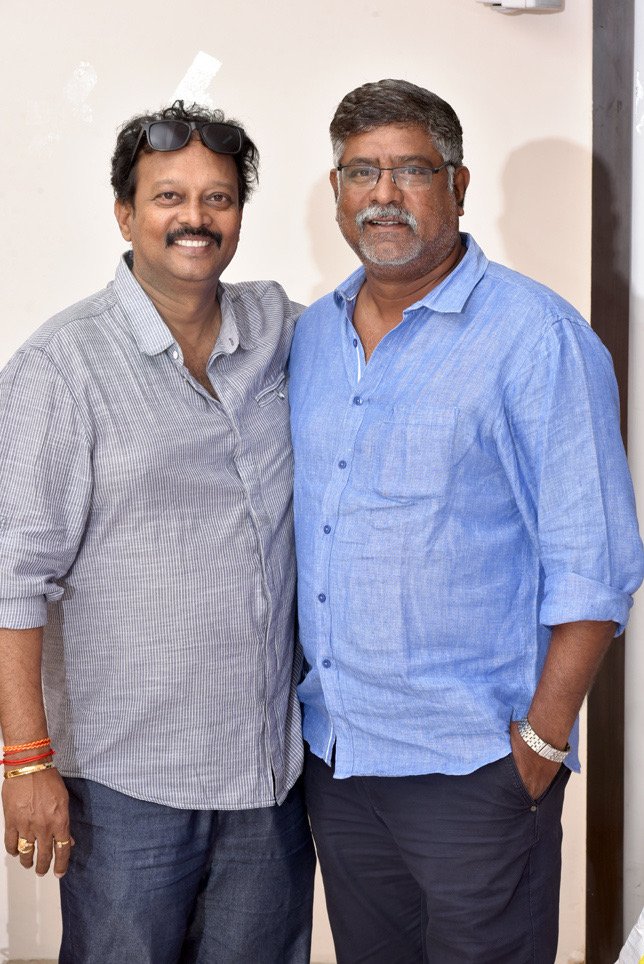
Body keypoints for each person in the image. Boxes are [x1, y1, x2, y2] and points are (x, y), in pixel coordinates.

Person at [288, 78, 644, 963]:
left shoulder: (537, 338)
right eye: (362, 172)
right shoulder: (313, 338)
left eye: (411, 170)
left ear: (457, 184)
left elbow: (597, 568)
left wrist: (540, 745)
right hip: (340, 763)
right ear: (336, 190)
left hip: (476, 771)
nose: (384, 194)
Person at [0, 100, 314, 964]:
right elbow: (11, 578)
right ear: (125, 214)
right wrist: (24, 761)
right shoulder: (61, 366)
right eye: (169, 196)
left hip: (268, 774)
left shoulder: (284, 332)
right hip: (125, 784)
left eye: (218, 198)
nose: (195, 218)